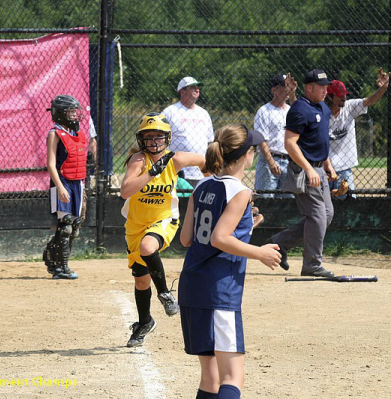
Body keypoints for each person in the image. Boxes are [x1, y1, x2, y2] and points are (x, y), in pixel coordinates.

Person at [179, 124, 281, 399]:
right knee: (233, 376)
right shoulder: (240, 191)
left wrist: (246, 228)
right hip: (219, 291)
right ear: (246, 155)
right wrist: (259, 252)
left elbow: (188, 238)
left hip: (192, 288)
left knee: (211, 378)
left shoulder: (201, 186)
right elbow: (219, 238)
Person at [120, 112, 205, 348]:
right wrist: (151, 172)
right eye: (148, 137)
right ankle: (145, 322)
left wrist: (213, 179)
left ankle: (166, 293)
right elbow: (125, 191)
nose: (153, 141)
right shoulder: (139, 160)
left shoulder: (174, 159)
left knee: (148, 247)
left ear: (167, 138)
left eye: (158, 136)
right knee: (141, 281)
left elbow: (204, 160)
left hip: (164, 220)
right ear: (141, 140)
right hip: (135, 226)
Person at [266, 69, 338, 277]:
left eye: (327, 86)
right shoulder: (299, 109)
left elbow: (318, 140)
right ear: (309, 88)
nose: (326, 90)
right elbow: (290, 144)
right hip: (304, 170)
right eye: (321, 87)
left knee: (327, 215)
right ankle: (312, 265)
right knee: (317, 216)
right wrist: (308, 169)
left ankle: (279, 243)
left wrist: (328, 165)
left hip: (319, 169)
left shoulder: (323, 108)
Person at [42, 95, 88, 280]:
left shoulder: (77, 134)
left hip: (77, 182)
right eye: (71, 112)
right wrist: (60, 187)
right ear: (61, 114)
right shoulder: (55, 133)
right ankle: (62, 267)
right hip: (62, 181)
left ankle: (51, 257)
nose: (75, 115)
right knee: (66, 225)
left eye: (75, 112)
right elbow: (51, 164)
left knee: (75, 226)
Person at [326, 68, 391, 199]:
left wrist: (383, 89)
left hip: (344, 168)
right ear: (330, 97)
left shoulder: (349, 107)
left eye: (345, 94)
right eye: (340, 95)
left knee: (349, 205)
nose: (344, 97)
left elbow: (369, 101)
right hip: (325, 169)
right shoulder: (321, 113)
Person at [162, 76, 214, 187]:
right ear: (182, 91)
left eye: (198, 87)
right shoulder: (170, 112)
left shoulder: (203, 113)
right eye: (192, 87)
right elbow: (161, 140)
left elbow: (210, 142)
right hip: (178, 172)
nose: (197, 89)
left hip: (202, 171)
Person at [254, 73, 297, 198]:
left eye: (289, 86)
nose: (288, 89)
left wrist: (293, 94)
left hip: (289, 161)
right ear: (274, 90)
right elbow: (262, 140)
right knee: (265, 200)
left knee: (288, 204)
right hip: (270, 161)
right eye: (285, 86)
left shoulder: (290, 109)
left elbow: (299, 111)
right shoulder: (264, 111)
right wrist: (271, 162)